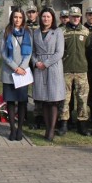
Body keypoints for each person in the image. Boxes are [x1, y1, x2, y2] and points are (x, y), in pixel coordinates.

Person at [32, 8, 65, 142]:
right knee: (44, 101)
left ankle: (51, 129)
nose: (46, 19)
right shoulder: (35, 33)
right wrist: (36, 62)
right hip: (39, 68)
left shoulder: (57, 32)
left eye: (48, 17)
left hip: (53, 67)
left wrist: (46, 63)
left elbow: (59, 53)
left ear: (52, 18)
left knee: (53, 101)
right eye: (44, 17)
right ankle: (47, 127)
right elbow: (32, 52)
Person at [0, 8, 32, 141]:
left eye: (20, 17)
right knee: (11, 102)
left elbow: (29, 52)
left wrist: (22, 67)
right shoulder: (6, 32)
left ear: (23, 19)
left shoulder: (28, 33)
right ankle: (12, 129)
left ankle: (20, 129)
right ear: (12, 18)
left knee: (22, 102)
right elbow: (3, 53)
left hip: (22, 73)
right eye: (15, 17)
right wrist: (15, 67)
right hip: (9, 72)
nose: (17, 20)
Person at [60, 6, 91, 136]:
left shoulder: (85, 31)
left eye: (78, 16)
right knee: (65, 99)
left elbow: (89, 50)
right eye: (73, 16)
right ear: (69, 17)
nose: (75, 18)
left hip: (81, 71)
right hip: (66, 70)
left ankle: (82, 124)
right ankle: (64, 123)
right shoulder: (62, 31)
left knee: (82, 99)